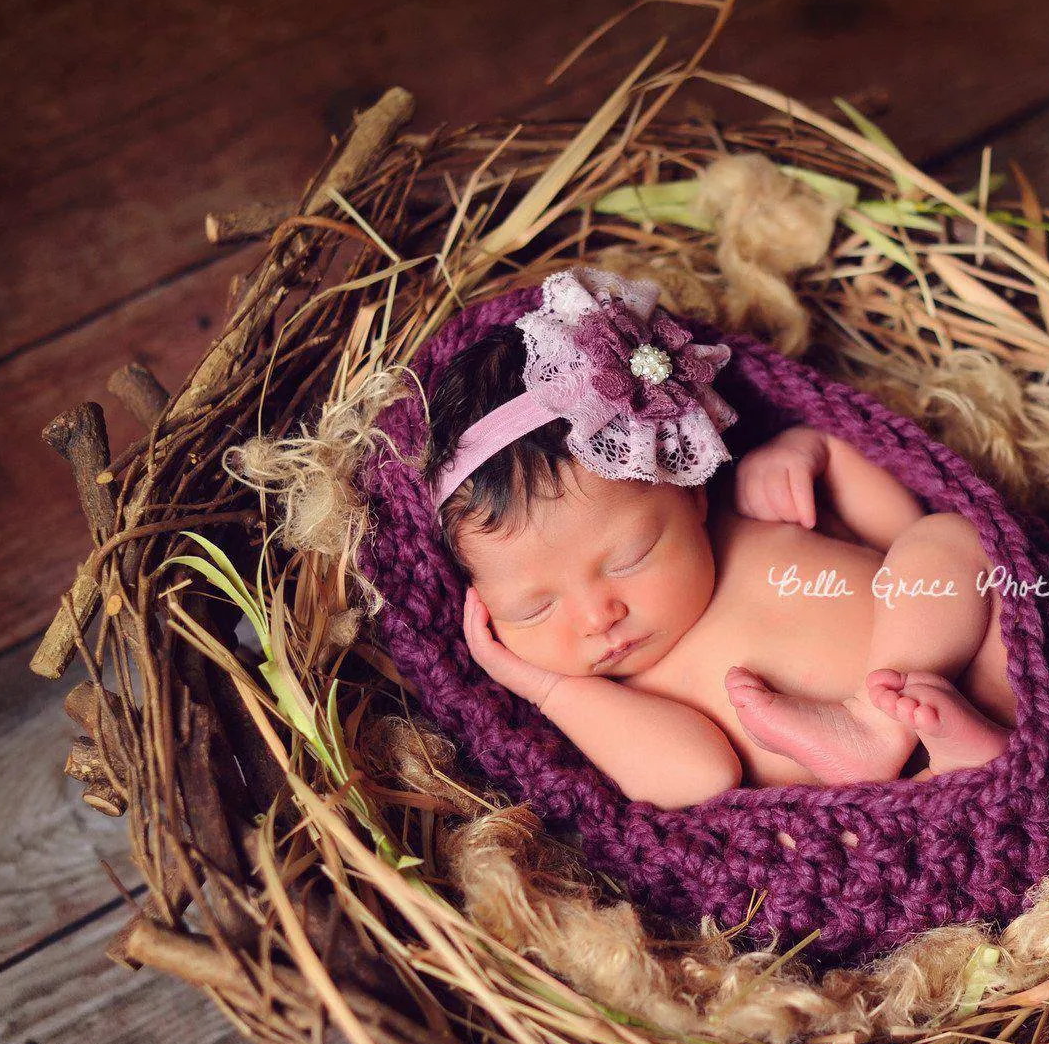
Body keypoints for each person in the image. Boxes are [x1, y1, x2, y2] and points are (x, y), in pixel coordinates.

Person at [431, 268, 1016, 810]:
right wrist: (548, 689)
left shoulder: (746, 511)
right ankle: (957, 764)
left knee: (950, 538)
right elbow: (701, 777)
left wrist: (816, 454)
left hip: (974, 669)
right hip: (905, 802)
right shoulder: (625, 698)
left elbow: (895, 533)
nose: (597, 617)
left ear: (691, 493)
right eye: (533, 609)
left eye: (631, 558)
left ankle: (885, 724)